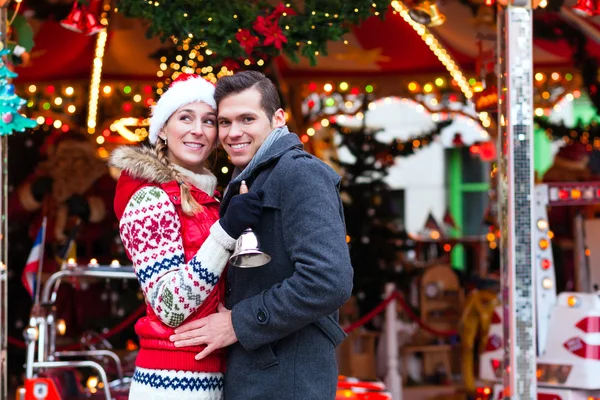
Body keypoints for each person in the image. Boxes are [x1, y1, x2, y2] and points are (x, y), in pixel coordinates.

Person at [170, 71, 353, 399]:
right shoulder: (251, 176)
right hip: (258, 375)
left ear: (278, 118)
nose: (233, 132)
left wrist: (237, 323)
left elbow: (328, 280)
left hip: (286, 382)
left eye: (247, 119)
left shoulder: (300, 173)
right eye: (224, 122)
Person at [110, 74, 262, 400]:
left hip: (215, 375)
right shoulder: (149, 199)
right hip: (170, 381)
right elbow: (169, 307)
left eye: (209, 121)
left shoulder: (211, 200)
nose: (198, 130)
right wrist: (225, 233)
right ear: (163, 129)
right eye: (185, 117)